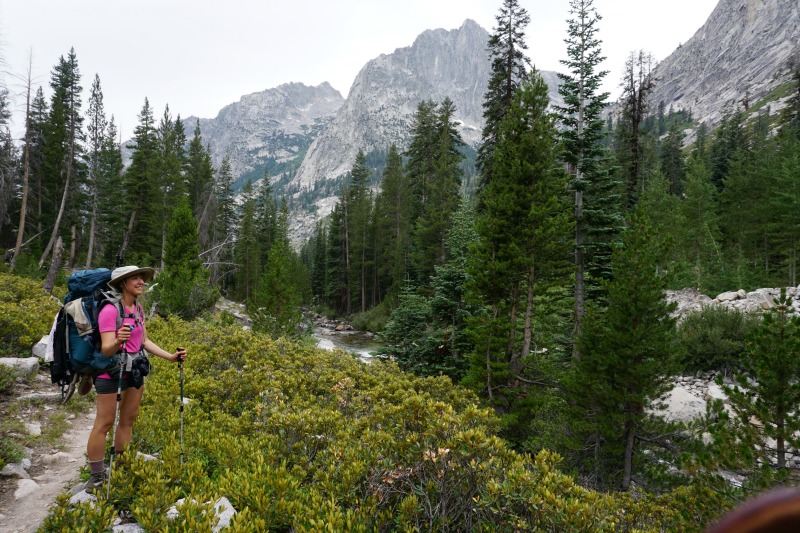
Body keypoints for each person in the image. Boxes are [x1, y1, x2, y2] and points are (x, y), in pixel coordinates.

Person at [83, 265, 187, 493]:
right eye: (135, 278)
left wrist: (170, 356)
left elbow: (144, 341)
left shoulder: (138, 308)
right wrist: (119, 340)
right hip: (110, 370)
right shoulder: (110, 310)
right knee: (105, 423)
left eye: (142, 278)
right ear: (123, 283)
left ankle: (121, 466)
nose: (141, 282)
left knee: (128, 420)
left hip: (135, 369)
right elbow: (108, 349)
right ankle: (96, 477)